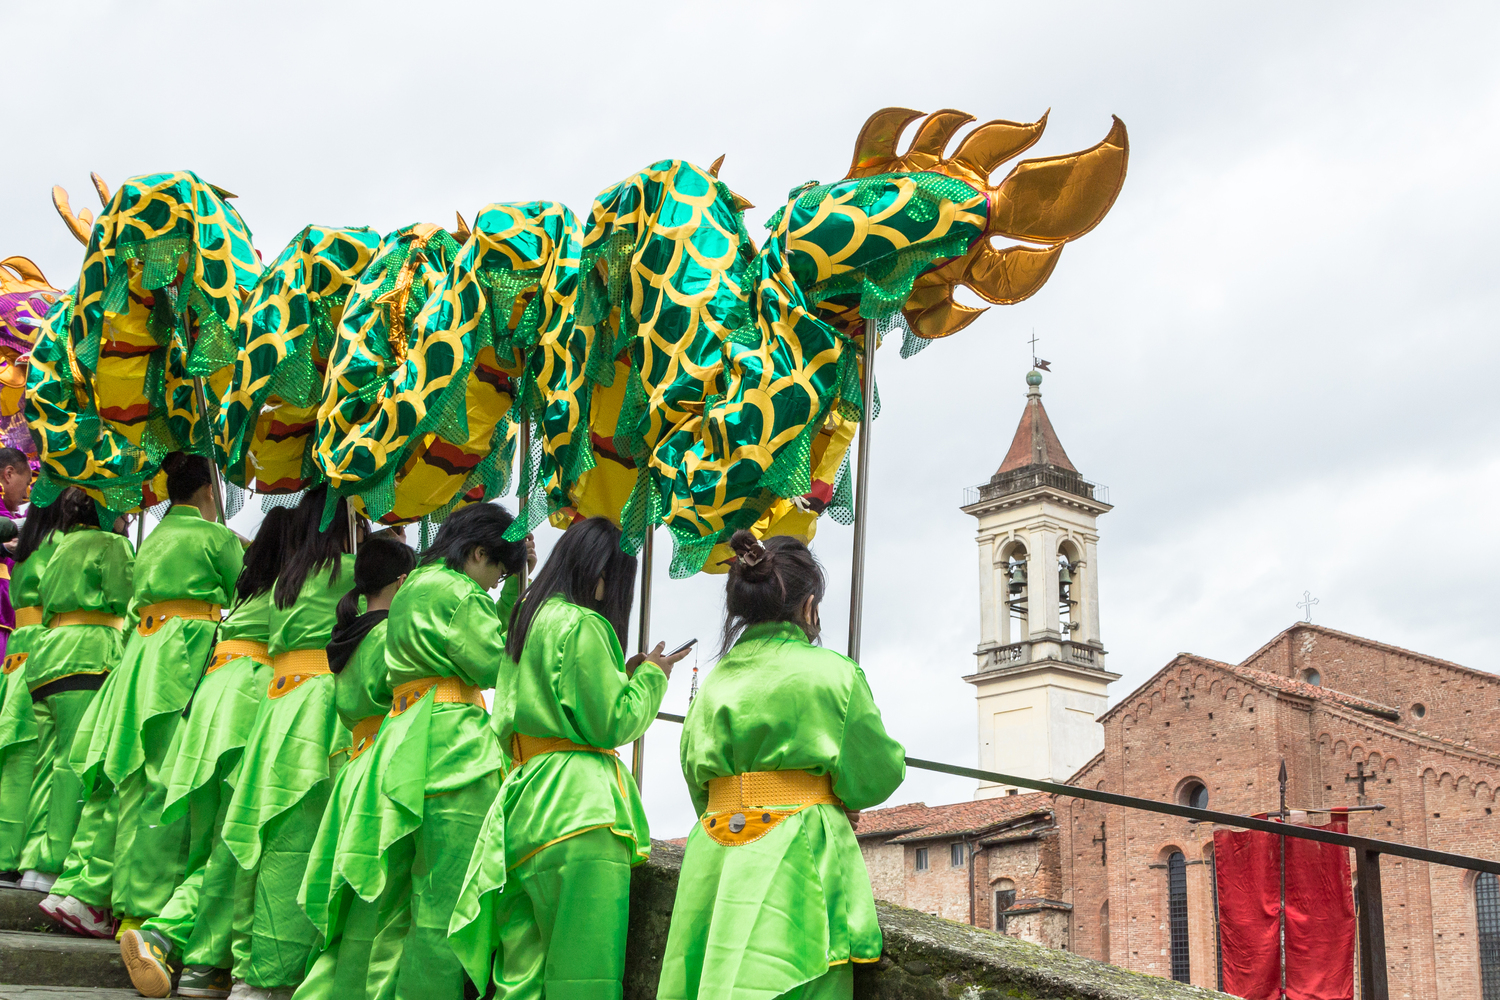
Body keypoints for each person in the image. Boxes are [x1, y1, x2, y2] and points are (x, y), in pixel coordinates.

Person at [656, 531, 905, 1000]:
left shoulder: (713, 683)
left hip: (715, 854)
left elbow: (697, 781)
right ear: (809, 606)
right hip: (797, 852)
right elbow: (877, 772)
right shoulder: (834, 673)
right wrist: (830, 796)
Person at [450, 516, 688, 999]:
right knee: (584, 975)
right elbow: (612, 723)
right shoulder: (585, 624)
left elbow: (552, 699)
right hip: (580, 810)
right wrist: (651, 677)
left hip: (523, 802)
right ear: (602, 579)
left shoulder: (526, 616)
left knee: (520, 975)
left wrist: (620, 673)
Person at [297, 504, 528, 1000]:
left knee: (387, 904)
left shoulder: (414, 587)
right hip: (453, 747)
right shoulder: (462, 594)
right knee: (441, 909)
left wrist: (509, 588)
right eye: (497, 572)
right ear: (478, 553)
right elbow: (495, 666)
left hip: (399, 739)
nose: (493, 584)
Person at [50, 453, 243, 939]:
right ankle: (141, 907)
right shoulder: (215, 537)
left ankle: (82, 888)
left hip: (139, 654)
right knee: (161, 781)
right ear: (207, 491)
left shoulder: (152, 538)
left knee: (119, 774)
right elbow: (245, 592)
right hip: (181, 655)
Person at [120, 507, 293, 999]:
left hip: (211, 707)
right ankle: (171, 938)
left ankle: (193, 958)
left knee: (209, 846)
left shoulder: (250, 589)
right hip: (251, 706)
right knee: (232, 851)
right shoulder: (302, 589)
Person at [217, 485, 358, 999]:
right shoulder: (349, 574)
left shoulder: (289, 577)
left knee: (264, 839)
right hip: (320, 713)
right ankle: (271, 977)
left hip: (278, 709)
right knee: (299, 846)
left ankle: (244, 967)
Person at [22, 489, 135, 932]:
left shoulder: (57, 543)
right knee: (76, 764)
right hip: (90, 654)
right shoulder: (113, 546)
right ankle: (55, 866)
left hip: (48, 656)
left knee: (46, 763)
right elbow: (127, 597)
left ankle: (34, 863)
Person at [0, 490, 66, 883]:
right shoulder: (62, 545)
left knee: (15, 756)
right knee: (42, 761)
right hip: (47, 646)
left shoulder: (24, 549)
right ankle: (28, 857)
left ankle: (4, 854)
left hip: (18, 652)